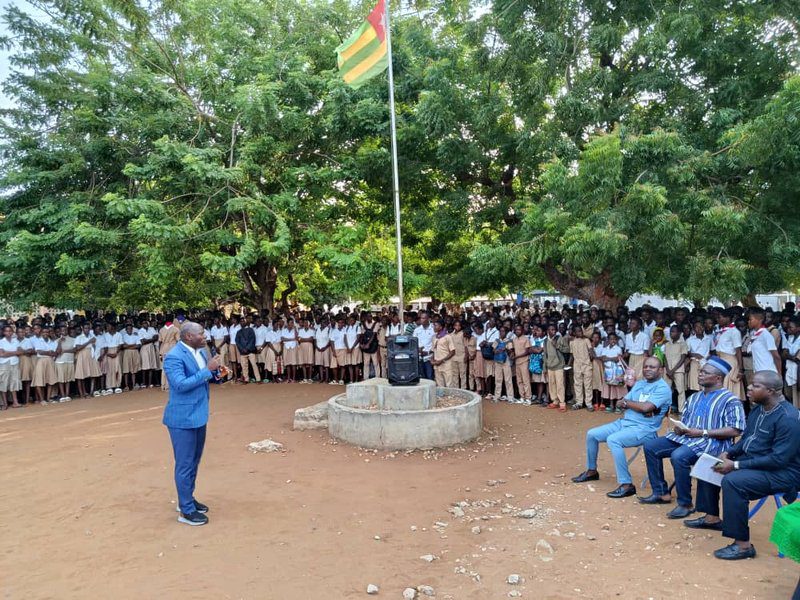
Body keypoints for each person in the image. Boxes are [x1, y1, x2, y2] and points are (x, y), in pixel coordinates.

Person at [685, 370, 800, 560]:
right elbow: (746, 440)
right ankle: (711, 517)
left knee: (734, 481)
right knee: (710, 463)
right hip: (756, 462)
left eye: (755, 385)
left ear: (771, 391)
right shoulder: (758, 408)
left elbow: (779, 460)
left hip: (783, 473)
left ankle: (743, 545)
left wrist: (736, 465)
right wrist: (729, 453)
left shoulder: (788, 418)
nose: (748, 387)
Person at [639, 357, 745, 518]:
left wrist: (703, 432)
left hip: (713, 443)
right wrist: (680, 428)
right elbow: (687, 422)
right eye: (700, 371)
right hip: (688, 438)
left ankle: (685, 503)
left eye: (704, 372)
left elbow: (735, 430)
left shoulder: (730, 400)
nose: (699, 374)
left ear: (717, 378)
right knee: (651, 446)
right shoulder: (694, 397)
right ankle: (661, 492)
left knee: (679, 456)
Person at [572, 356, 672, 498]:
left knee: (613, 440)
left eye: (652, 367)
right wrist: (636, 406)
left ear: (661, 370)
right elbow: (623, 402)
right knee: (592, 434)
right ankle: (592, 471)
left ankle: (627, 485)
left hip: (644, 429)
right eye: (646, 367)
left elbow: (644, 407)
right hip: (624, 423)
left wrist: (633, 405)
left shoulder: (663, 388)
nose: (648, 369)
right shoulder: (640, 384)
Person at [162, 322, 222, 527]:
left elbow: (205, 378)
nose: (205, 336)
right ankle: (185, 511)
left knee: (194, 461)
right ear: (188, 336)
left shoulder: (201, 352)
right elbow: (179, 385)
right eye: (201, 333)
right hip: (182, 418)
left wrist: (217, 374)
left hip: (198, 415)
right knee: (185, 464)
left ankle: (187, 498)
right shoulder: (173, 357)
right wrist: (208, 370)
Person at [543, 323, 570, 411]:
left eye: (554, 330)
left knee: (560, 385)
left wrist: (557, 346)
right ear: (548, 331)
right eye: (551, 330)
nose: (553, 331)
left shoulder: (560, 339)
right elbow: (545, 355)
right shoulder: (546, 341)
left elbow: (567, 349)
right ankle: (555, 401)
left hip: (559, 365)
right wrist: (544, 367)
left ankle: (562, 403)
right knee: (552, 384)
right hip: (550, 366)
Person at [747, 307, 782, 375]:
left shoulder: (766, 335)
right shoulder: (754, 334)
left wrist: (779, 374)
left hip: (767, 371)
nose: (748, 321)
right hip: (758, 371)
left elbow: (776, 356)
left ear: (760, 320)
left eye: (750, 319)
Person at [663, 325, 689, 413]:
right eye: (671, 331)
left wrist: (672, 370)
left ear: (679, 333)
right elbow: (665, 358)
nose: (671, 333)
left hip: (678, 370)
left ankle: (681, 410)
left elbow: (683, 358)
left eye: (674, 331)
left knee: (680, 391)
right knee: (666, 390)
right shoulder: (667, 344)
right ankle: (665, 409)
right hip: (667, 371)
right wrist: (668, 370)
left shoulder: (682, 344)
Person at [569, 325, 594, 411]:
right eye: (578, 331)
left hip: (586, 365)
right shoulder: (572, 342)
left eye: (581, 331)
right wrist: (569, 364)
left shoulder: (586, 340)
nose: (580, 332)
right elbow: (572, 355)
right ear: (574, 333)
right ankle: (579, 402)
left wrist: (591, 356)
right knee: (578, 384)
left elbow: (590, 350)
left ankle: (589, 403)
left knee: (588, 385)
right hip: (577, 365)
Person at [0, 324, 22, 408]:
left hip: (14, 363)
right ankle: (5, 404)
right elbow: (1, 354)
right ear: (4, 332)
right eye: (6, 331)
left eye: (10, 331)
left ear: (12, 332)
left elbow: (20, 352)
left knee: (14, 382)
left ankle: (15, 402)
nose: (8, 332)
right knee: (4, 383)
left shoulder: (15, 341)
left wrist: (8, 353)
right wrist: (14, 353)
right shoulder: (1, 341)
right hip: (4, 364)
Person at [431, 321, 455, 387]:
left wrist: (442, 360)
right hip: (437, 364)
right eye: (434, 325)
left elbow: (452, 351)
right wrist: (432, 360)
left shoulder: (448, 337)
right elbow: (433, 350)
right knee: (439, 384)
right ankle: (441, 397)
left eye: (436, 325)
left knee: (449, 383)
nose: (434, 327)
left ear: (441, 327)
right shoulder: (434, 337)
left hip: (446, 364)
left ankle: (450, 397)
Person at [413, 312, 435, 380]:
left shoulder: (433, 329)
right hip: (420, 357)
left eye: (424, 318)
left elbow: (436, 342)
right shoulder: (417, 330)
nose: (422, 320)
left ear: (428, 319)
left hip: (429, 357)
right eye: (421, 318)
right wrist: (418, 349)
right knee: (422, 377)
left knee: (430, 376)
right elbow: (413, 342)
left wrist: (429, 352)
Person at [783, 318, 800, 408]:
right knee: (789, 395)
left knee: (797, 397)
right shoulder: (789, 337)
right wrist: (792, 357)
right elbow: (784, 354)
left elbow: (797, 358)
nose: (788, 329)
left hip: (797, 372)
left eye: (791, 327)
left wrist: (789, 356)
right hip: (789, 369)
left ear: (798, 328)